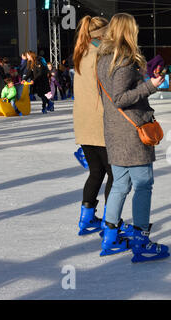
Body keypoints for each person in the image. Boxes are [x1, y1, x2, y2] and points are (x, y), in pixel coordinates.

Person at [96, 12, 169, 262]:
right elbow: (120, 98)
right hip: (132, 133)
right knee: (143, 184)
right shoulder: (124, 59)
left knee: (120, 185)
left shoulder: (104, 58)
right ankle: (141, 241)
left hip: (114, 131)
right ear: (129, 31)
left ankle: (110, 237)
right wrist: (151, 85)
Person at [72, 15, 113, 236]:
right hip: (100, 121)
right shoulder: (102, 53)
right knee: (114, 173)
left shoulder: (81, 51)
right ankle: (110, 222)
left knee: (96, 171)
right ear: (103, 33)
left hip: (82, 120)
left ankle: (86, 218)